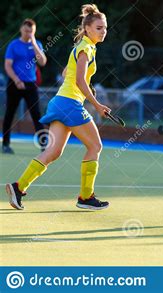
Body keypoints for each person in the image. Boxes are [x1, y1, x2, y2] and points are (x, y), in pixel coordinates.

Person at [5, 4, 111, 210]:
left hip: (61, 102)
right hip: (70, 104)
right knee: (95, 146)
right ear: (87, 28)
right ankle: (86, 197)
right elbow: (79, 81)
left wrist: (85, 85)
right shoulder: (86, 48)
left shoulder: (82, 47)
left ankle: (18, 188)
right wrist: (97, 105)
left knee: (53, 152)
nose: (103, 31)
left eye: (105, 27)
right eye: (99, 27)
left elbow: (66, 74)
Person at [3, 19, 47, 154]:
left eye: (31, 31)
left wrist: (33, 43)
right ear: (21, 29)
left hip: (30, 85)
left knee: (37, 115)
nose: (28, 33)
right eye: (26, 30)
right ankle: (5, 145)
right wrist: (16, 80)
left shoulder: (37, 44)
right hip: (14, 83)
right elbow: (8, 65)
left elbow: (42, 62)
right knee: (10, 114)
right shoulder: (13, 45)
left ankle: (43, 146)